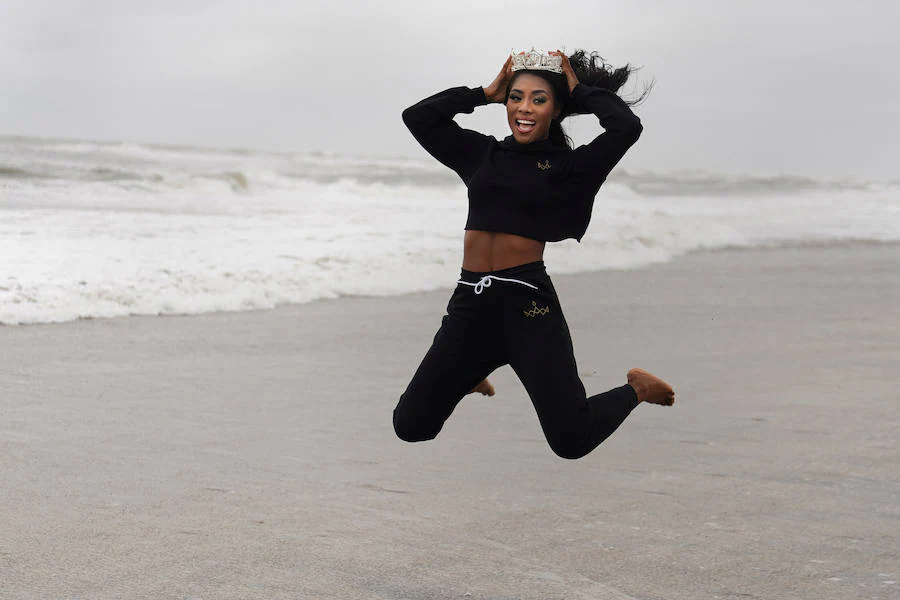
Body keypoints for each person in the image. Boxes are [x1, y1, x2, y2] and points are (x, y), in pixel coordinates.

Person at [393, 48, 674, 460]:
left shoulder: (570, 168)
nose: (524, 108)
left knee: (571, 440)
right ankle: (471, 374)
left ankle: (639, 388)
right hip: (470, 307)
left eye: (538, 100)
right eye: (515, 97)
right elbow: (417, 117)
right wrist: (483, 93)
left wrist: (582, 90)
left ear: (556, 108)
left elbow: (625, 127)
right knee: (410, 426)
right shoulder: (482, 155)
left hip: (528, 311)